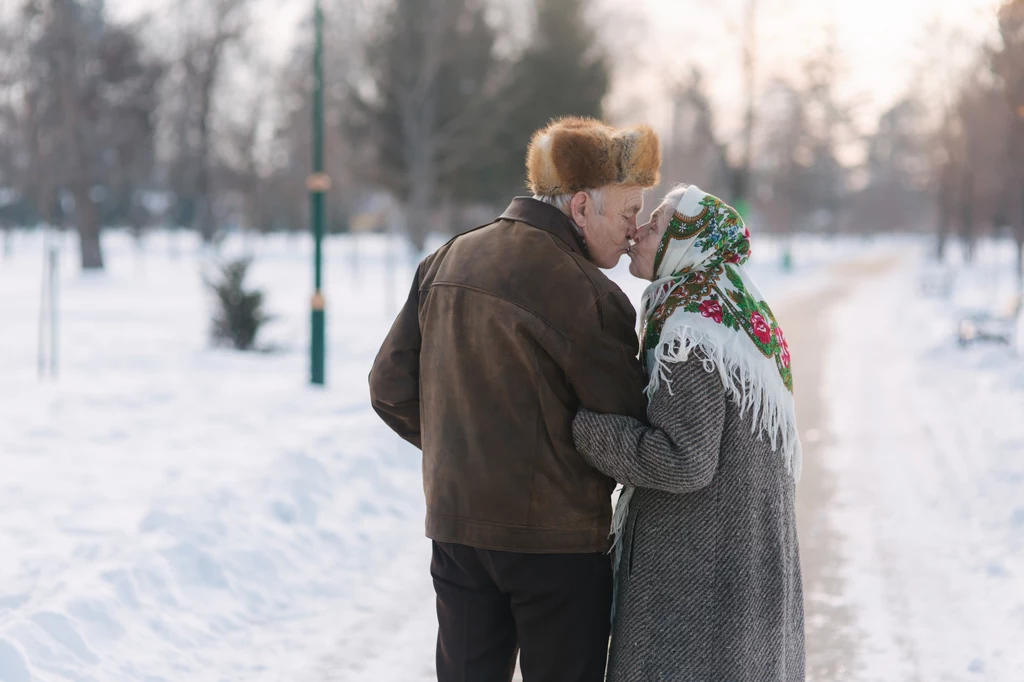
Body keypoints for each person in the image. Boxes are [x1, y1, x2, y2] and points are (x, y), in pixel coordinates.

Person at [368, 116, 661, 682]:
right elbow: (626, 428)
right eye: (628, 212)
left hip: (458, 530)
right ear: (581, 207)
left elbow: (389, 387)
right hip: (558, 549)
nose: (634, 229)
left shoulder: (447, 259)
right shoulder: (591, 297)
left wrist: (463, 449)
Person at [572, 184, 806, 681]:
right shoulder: (734, 307)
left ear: (686, 243)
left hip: (700, 582)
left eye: (654, 226)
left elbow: (684, 458)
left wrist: (585, 429)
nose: (636, 232)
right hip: (743, 560)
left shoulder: (691, 327)